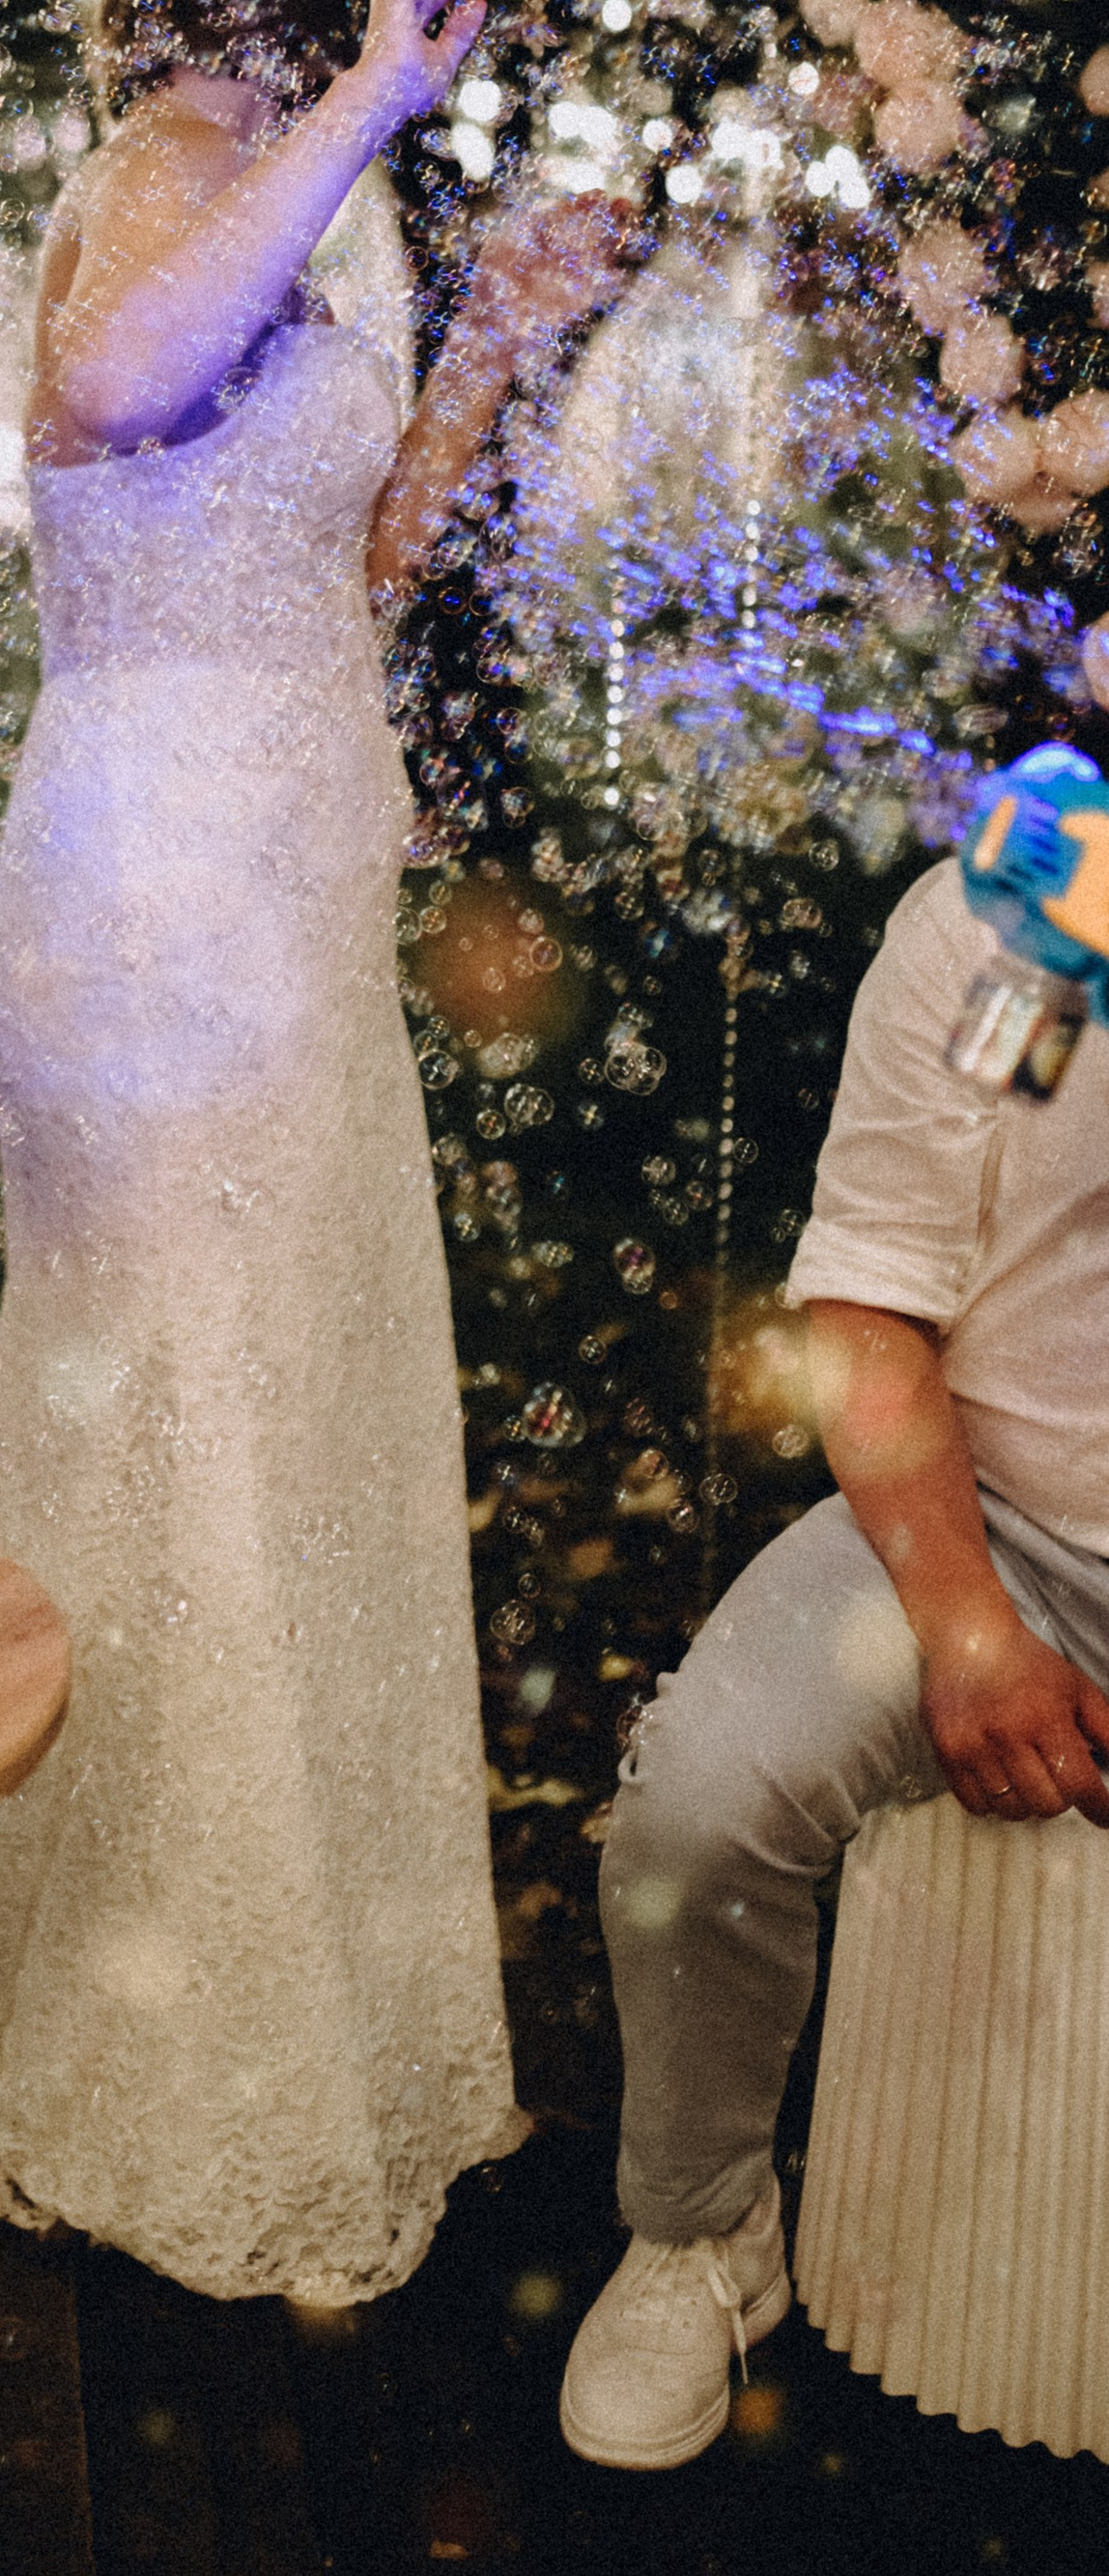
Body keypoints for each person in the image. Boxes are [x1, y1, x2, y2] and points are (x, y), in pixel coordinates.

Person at [0, 0, 631, 2303]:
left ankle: (273, 1989)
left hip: (291, 876)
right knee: (166, 1412)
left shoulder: (331, 188)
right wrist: (364, 116)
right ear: (244, 6)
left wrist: (497, 327)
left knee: (281, 1414)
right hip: (148, 892)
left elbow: (348, 552)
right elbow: (106, 380)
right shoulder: (160, 172)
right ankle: (149, 2031)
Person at [560, 788, 1109, 2471]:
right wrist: (968, 1631)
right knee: (703, 1802)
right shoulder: (1045, 927)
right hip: (1003, 1521)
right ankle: (704, 2226)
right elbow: (871, 1302)